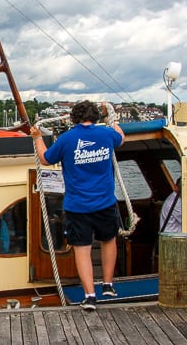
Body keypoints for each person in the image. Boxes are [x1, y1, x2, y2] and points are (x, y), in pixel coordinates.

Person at [30, 100, 125, 311]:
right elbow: (121, 137)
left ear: (73, 118)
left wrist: (37, 138)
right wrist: (114, 120)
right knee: (109, 241)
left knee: (82, 250)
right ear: (96, 117)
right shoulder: (107, 135)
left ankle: (90, 296)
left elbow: (45, 159)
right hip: (105, 203)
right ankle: (108, 284)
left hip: (78, 206)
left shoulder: (67, 139)